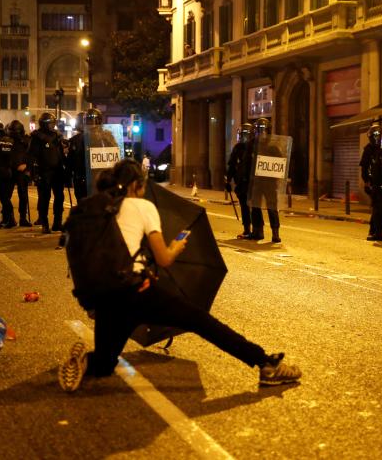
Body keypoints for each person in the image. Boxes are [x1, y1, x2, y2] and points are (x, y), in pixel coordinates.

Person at [57, 159, 302, 392]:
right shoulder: (142, 206)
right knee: (202, 321)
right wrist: (176, 246)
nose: (143, 191)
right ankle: (266, 365)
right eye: (142, 185)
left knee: (104, 364)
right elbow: (164, 259)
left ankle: (85, 361)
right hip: (136, 292)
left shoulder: (99, 212)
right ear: (134, 185)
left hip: (105, 297)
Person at [28, 112, 67, 233]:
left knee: (59, 197)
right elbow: (31, 156)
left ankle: (57, 222)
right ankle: (44, 223)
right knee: (45, 198)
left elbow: (61, 153)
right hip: (43, 171)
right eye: (50, 123)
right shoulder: (37, 137)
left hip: (57, 171)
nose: (51, 126)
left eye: (52, 123)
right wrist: (34, 173)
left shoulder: (57, 136)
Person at [248, 118, 282, 243]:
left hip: (269, 183)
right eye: (258, 131)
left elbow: (280, 164)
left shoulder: (273, 147)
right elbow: (248, 163)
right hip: (256, 182)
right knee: (255, 207)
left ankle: (275, 232)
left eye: (263, 131)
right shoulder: (253, 146)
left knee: (272, 207)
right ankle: (258, 230)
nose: (261, 134)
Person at [225, 123, 255, 239]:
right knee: (245, 206)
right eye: (242, 135)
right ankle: (247, 228)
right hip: (242, 182)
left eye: (246, 135)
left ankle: (257, 230)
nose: (244, 137)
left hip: (252, 182)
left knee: (253, 207)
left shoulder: (255, 147)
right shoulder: (237, 148)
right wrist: (228, 180)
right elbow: (232, 165)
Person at [360, 123, 382, 241]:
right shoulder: (368, 149)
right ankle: (374, 230)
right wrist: (366, 181)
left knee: (379, 208)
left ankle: (379, 230)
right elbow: (364, 167)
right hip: (373, 182)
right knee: (377, 208)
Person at [7, 119, 32, 227]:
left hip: (21, 170)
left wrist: (26, 165)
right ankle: (9, 217)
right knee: (6, 196)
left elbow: (32, 155)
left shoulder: (26, 140)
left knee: (23, 195)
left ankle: (23, 217)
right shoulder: (7, 140)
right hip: (9, 169)